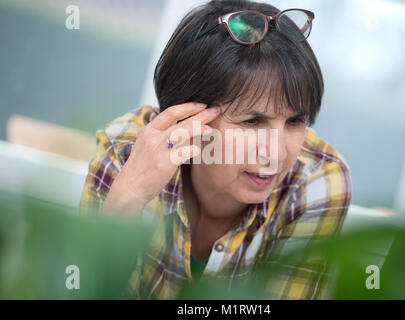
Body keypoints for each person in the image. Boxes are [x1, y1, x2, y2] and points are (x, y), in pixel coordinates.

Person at [79, 0, 351, 299]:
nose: (276, 154)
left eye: (295, 121)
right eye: (253, 121)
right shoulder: (126, 148)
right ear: (189, 117)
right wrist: (127, 198)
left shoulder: (317, 180)